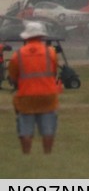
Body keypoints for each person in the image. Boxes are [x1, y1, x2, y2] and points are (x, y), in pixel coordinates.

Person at [8, 21, 60, 154]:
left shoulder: (17, 55)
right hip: (48, 95)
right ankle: (47, 154)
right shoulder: (51, 53)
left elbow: (13, 77)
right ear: (41, 36)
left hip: (26, 96)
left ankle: (26, 154)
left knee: (25, 129)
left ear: (26, 36)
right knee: (48, 129)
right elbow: (54, 73)